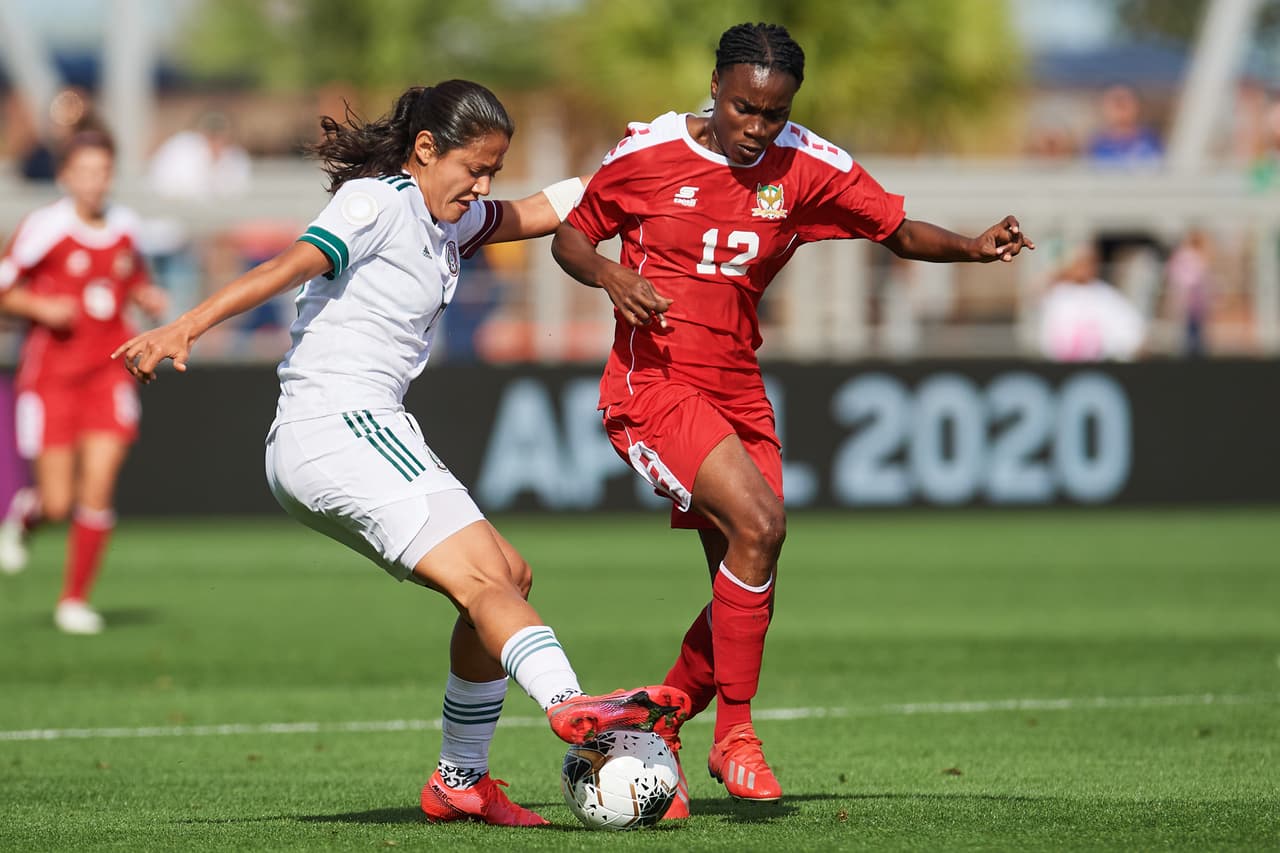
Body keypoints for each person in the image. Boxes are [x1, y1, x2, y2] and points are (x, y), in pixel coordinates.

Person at [111, 81, 689, 828]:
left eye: (492, 172)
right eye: (474, 169)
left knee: (506, 576)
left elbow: (547, 211)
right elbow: (286, 265)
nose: (483, 186)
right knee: (488, 577)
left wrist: (644, 157)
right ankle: (572, 704)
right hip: (336, 424)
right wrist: (185, 326)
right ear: (425, 149)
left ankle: (461, 779)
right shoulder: (379, 202)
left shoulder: (449, 219)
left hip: (362, 428)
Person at [551, 22, 1034, 818]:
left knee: (751, 575)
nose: (756, 127)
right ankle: (734, 733)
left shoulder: (808, 164)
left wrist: (973, 247)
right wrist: (610, 274)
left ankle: (657, 720)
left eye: (772, 114)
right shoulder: (647, 153)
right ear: (715, 85)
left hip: (739, 388)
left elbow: (895, 229)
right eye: (744, 107)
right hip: (654, 385)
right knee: (762, 523)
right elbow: (572, 235)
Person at [0, 128, 169, 635]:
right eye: (85, 172)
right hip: (51, 376)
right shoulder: (44, 228)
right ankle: (27, 515)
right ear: (66, 176)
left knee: (97, 487)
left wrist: (146, 297)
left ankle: (74, 599)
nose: (95, 182)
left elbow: (132, 276)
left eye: (104, 172)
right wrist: (40, 306)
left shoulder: (125, 227)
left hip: (108, 372)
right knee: (57, 501)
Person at [1038, 244, 1145, 362]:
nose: (1083, 269)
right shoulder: (1059, 294)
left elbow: (1130, 331)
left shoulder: (1105, 295)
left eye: (1088, 263)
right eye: (1080, 263)